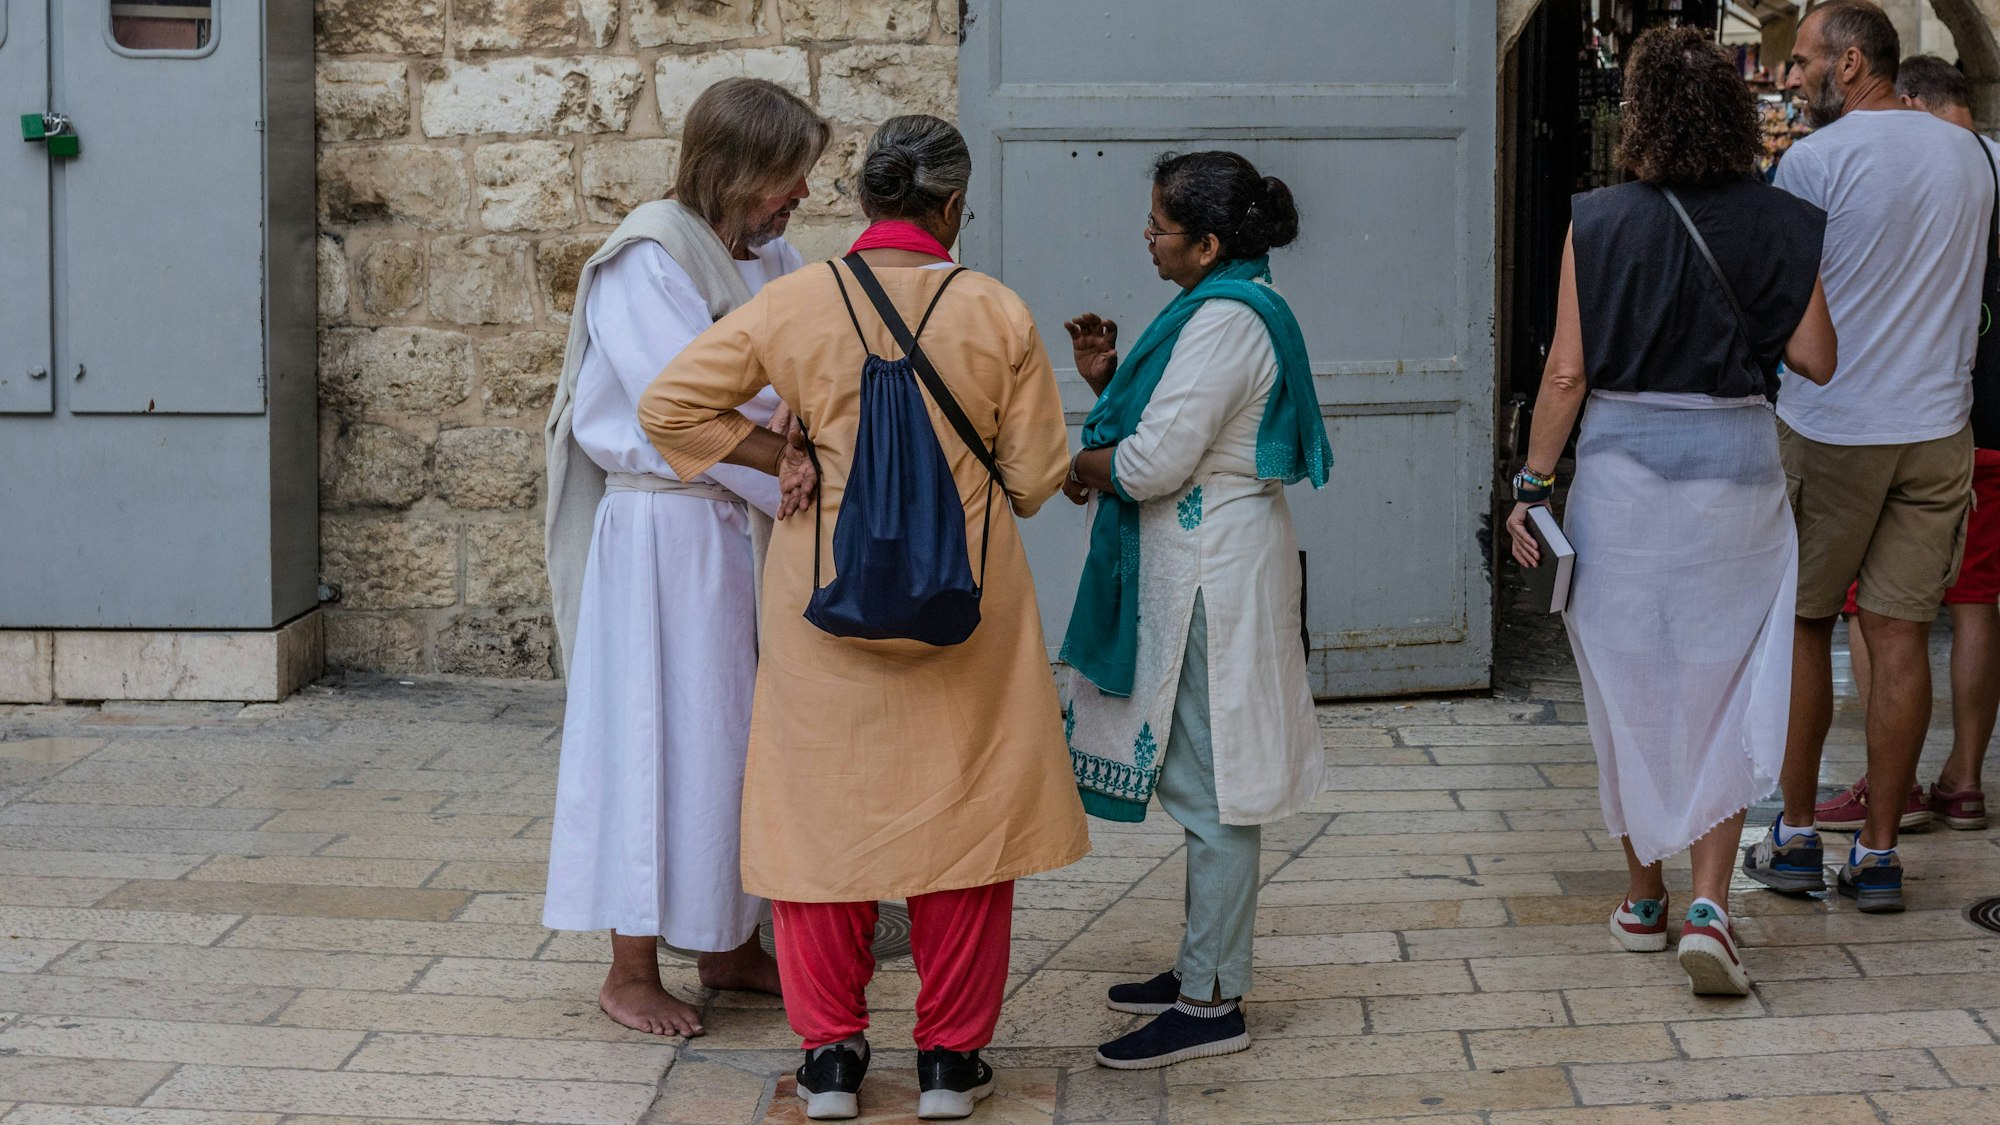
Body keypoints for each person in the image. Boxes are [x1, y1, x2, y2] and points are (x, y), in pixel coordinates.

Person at [638, 115, 1090, 1121]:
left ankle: (830, 1061)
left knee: (816, 821)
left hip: (820, 601)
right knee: (968, 825)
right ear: (952, 206)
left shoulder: (795, 303)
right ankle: (946, 1065)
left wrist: (778, 456)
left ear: (865, 202)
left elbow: (668, 406)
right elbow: (1032, 480)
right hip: (968, 609)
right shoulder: (996, 311)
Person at [1507, 26, 1836, 994]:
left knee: (1626, 684)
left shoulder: (1597, 218)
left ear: (1639, 115)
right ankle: (1710, 906)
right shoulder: (1784, 218)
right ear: (1734, 114)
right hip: (1735, 477)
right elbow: (1818, 360)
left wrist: (1530, 482)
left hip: (1619, 477)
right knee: (1720, 682)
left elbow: (1564, 370)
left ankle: (1641, 897)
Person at [540, 78, 828, 1037]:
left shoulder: (769, 251)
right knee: (654, 733)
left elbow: (798, 364)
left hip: (734, 533)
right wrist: (788, 461)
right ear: (738, 171)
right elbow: (685, 407)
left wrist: (797, 424)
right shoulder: (647, 257)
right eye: (786, 180)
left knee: (734, 737)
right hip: (663, 536)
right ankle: (628, 968)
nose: (798, 199)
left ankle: (727, 942)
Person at [1060, 151, 1330, 1067]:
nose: (1146, 237)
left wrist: (1075, 462)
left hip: (1212, 565)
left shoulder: (1224, 321)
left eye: (1160, 227)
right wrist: (1108, 389)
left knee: (1215, 786)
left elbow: (1148, 465)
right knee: (1203, 773)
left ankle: (1213, 1001)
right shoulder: (1231, 304)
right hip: (1208, 555)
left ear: (1208, 242)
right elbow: (1170, 432)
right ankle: (1197, 966)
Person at [1742, 0, 1994, 914]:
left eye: (1804, 60)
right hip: (1938, 428)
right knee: (1899, 636)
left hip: (1834, 426)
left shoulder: (1815, 159)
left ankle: (1800, 835)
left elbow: (1783, 294)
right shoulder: (1972, 152)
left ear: (1852, 65)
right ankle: (1880, 854)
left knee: (1808, 624)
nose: (1791, 75)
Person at [1824, 54, 1996, 835]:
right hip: (1979, 421)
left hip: (1905, 417)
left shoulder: (1905, 169)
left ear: (1915, 102)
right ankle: (1962, 779)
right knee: (1975, 605)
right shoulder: (1987, 163)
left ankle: (1885, 786)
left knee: (1876, 611)